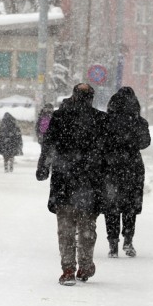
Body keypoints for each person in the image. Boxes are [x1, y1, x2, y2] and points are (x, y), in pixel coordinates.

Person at [36, 83, 107, 286]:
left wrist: (44, 167)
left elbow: (48, 144)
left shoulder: (59, 117)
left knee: (65, 227)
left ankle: (68, 269)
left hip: (64, 180)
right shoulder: (100, 120)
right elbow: (107, 154)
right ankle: (84, 265)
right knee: (87, 226)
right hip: (90, 182)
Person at [103, 87, 151, 258]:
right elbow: (145, 143)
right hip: (133, 167)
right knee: (130, 205)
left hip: (111, 167)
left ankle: (113, 243)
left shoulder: (106, 121)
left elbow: (100, 142)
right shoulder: (139, 122)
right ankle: (128, 240)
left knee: (111, 206)